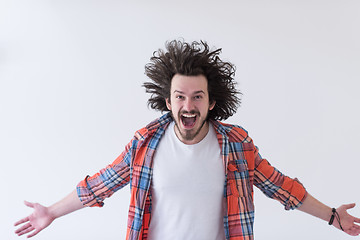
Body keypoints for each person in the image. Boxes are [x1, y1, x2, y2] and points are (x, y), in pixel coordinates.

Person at [14, 40, 360, 239]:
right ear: (168, 101)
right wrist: (51, 213)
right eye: (180, 96)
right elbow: (100, 184)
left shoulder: (237, 146)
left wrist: (332, 216)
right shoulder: (145, 143)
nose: (188, 105)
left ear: (211, 103)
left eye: (197, 97)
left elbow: (281, 187)